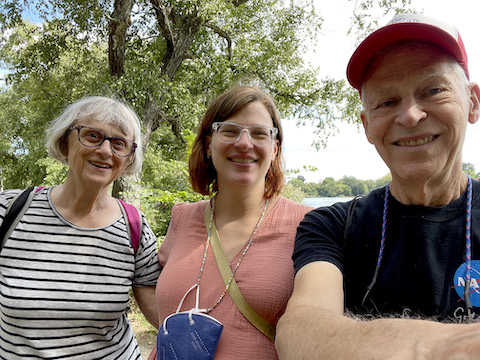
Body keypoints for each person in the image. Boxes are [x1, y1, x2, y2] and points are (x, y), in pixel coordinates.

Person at [275, 13, 480, 359]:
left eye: (433, 90)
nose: (411, 115)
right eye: (387, 101)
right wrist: (452, 347)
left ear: (472, 102)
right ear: (367, 125)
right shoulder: (332, 226)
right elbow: (300, 331)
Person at [147, 86, 312, 359]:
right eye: (230, 130)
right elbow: (146, 281)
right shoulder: (182, 217)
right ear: (209, 144)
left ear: (274, 148)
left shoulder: (308, 224)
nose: (245, 143)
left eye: (259, 133)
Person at [0, 96, 161, 359]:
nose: (106, 151)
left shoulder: (135, 227)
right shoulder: (11, 210)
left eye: (119, 143)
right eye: (92, 135)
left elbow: (161, 312)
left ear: (129, 158)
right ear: (65, 140)